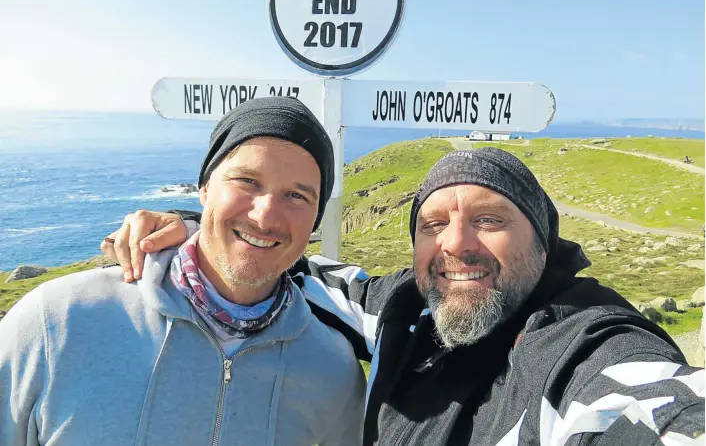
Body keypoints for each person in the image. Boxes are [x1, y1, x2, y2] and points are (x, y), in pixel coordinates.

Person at [102, 147, 705, 446]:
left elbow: (650, 403)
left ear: (543, 243)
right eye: (433, 225)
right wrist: (199, 229)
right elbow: (308, 271)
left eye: (490, 220)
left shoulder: (581, 338)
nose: (457, 246)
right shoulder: (409, 309)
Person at [0, 96, 366, 446]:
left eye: (297, 196)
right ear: (204, 189)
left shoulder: (332, 366)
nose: (265, 215)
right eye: (247, 182)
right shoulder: (56, 321)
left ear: (315, 219)